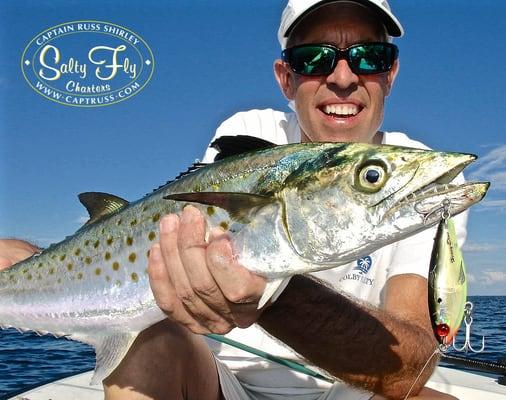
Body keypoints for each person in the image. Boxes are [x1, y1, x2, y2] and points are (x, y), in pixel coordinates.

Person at [1, 1, 464, 399]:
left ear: (391, 71)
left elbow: (411, 365)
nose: (342, 77)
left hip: (356, 391)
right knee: (150, 344)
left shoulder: (420, 178)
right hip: (223, 387)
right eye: (313, 58)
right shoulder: (250, 141)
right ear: (285, 78)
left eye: (369, 56)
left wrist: (271, 297)